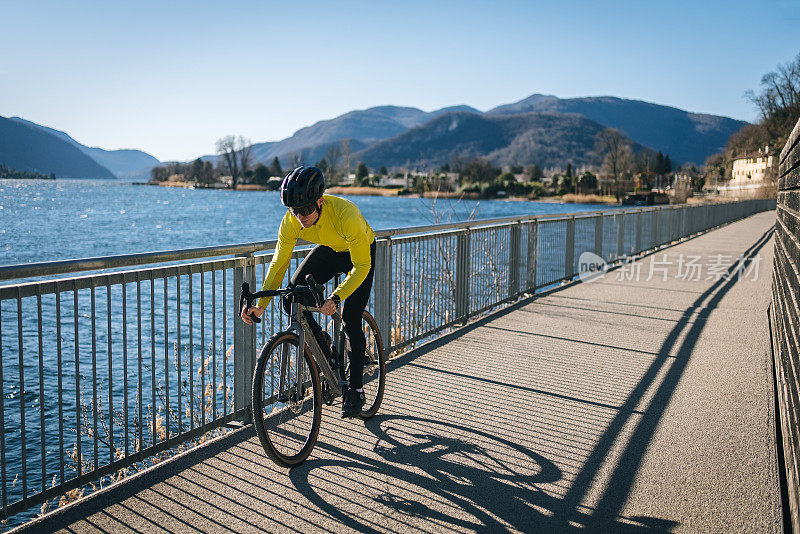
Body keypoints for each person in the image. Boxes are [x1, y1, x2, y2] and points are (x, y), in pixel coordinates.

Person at [240, 166, 376, 418]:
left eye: (305, 210)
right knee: (291, 299)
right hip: (329, 251)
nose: (300, 216)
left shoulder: (347, 215)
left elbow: (362, 266)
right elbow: (279, 263)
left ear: (321, 202)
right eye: (294, 210)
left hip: (360, 255)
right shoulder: (291, 221)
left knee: (351, 318)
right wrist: (262, 304)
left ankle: (356, 388)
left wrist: (336, 297)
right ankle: (323, 347)